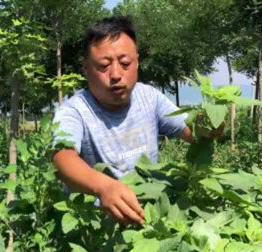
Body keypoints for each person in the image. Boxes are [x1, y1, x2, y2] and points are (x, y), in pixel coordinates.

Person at [52, 16, 221, 225]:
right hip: (96, 228)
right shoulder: (74, 110)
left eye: (125, 63)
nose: (115, 74)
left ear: (137, 61)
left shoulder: (149, 97)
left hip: (150, 219)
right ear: (86, 67)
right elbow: (62, 158)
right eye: (103, 66)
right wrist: (104, 187)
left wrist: (211, 122)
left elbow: (192, 132)